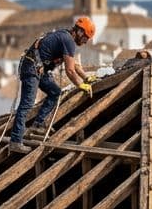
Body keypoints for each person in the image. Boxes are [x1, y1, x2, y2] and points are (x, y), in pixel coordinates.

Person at [8, 17, 96, 153]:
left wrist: (86, 78)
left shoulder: (66, 38)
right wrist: (80, 85)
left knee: (55, 92)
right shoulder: (68, 40)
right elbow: (70, 71)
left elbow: (74, 64)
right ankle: (15, 141)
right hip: (32, 68)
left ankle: (38, 124)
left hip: (39, 69)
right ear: (79, 32)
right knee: (27, 104)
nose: (85, 42)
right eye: (86, 38)